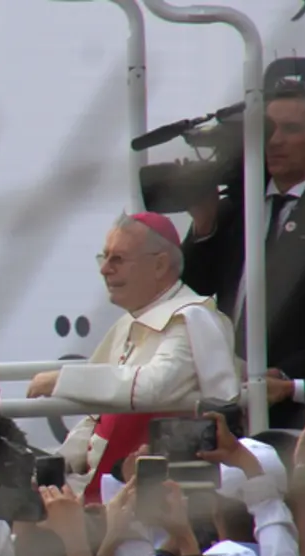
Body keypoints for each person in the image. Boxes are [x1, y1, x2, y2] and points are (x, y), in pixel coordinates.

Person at [28, 212, 240, 502]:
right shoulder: (129, 322)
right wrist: (54, 466)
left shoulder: (189, 318)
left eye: (117, 259)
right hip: (105, 488)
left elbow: (154, 386)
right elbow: (97, 419)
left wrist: (63, 380)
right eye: (104, 257)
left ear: (159, 264)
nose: (104, 269)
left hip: (165, 497)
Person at [181, 81, 305, 425]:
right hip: (228, 402)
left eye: (290, 130)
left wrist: (287, 375)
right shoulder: (238, 206)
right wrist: (204, 223)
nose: (275, 141)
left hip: (304, 409)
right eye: (268, 129)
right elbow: (191, 293)